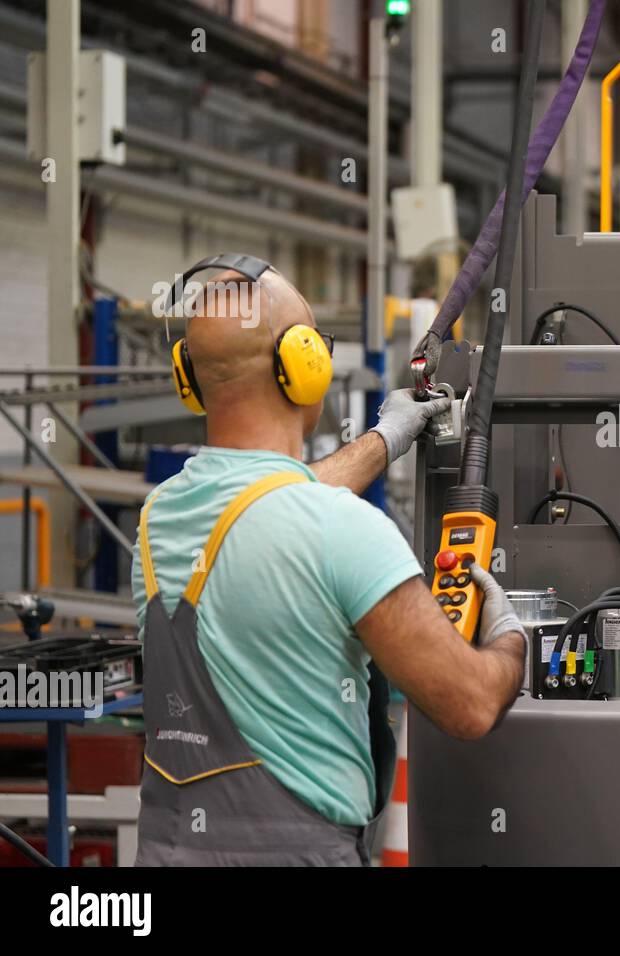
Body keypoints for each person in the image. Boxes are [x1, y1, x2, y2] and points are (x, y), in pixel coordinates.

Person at [132, 264, 525, 865]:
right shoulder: (344, 532)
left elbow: (260, 505)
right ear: (305, 365)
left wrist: (386, 438)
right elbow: (469, 706)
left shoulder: (157, 519)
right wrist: (509, 638)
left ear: (190, 377)